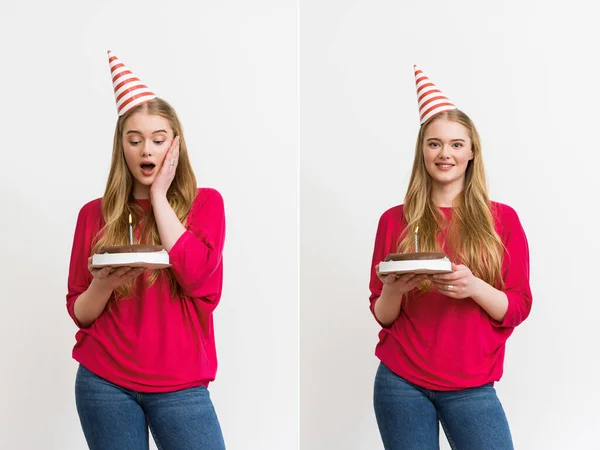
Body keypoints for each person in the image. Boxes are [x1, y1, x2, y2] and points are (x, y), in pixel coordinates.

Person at [66, 51, 226, 450]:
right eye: (134, 140)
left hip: (181, 385)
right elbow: (80, 312)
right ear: (122, 146)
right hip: (103, 382)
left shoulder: (206, 205)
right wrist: (102, 285)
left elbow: (198, 279)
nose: (145, 150)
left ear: (175, 146)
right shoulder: (93, 215)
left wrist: (158, 195)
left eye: (158, 140)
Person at [369, 65, 532, 450]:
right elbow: (382, 312)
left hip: (472, 386)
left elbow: (517, 307)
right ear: (422, 151)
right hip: (400, 383)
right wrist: (393, 288)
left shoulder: (502, 220)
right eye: (435, 143)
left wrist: (472, 286)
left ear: (472, 152)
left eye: (457, 144)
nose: (445, 154)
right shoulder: (394, 220)